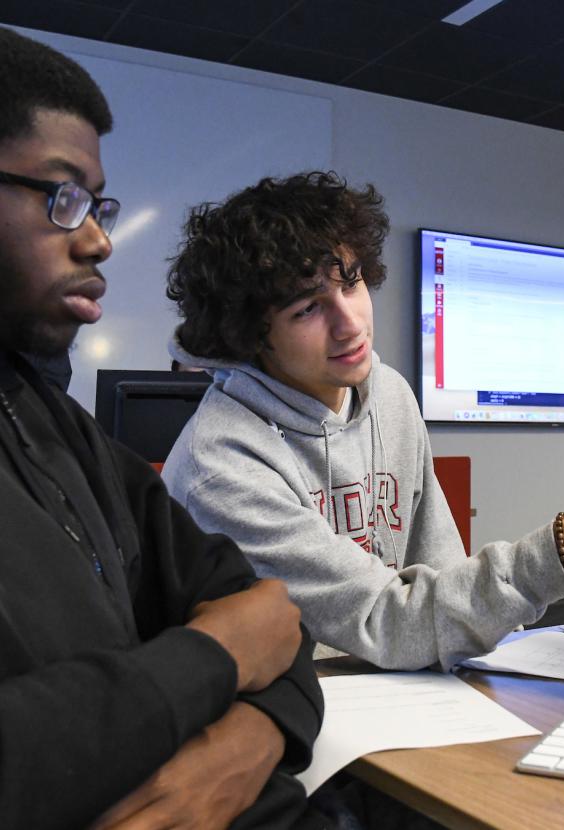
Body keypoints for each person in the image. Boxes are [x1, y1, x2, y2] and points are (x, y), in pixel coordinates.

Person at [161, 170, 564, 671]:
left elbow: (441, 582)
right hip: (296, 722)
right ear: (247, 333)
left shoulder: (387, 392)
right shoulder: (222, 466)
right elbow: (384, 622)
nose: (351, 323)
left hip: (403, 691)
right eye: (308, 308)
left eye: (352, 282)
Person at [0, 27, 326, 829]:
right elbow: (240, 637)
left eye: (97, 204)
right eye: (61, 195)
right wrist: (213, 659)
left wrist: (251, 739)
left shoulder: (52, 424)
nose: (98, 239)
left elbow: (272, 616)